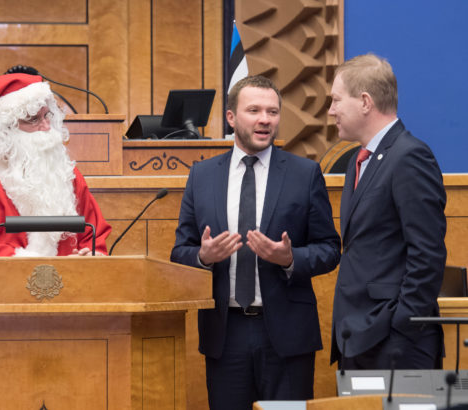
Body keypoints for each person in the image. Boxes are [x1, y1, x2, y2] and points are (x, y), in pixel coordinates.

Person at [170, 75, 341, 409]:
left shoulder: (304, 174)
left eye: (273, 112)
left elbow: (330, 249)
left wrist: (290, 259)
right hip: (225, 333)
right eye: (254, 110)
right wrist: (204, 257)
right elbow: (180, 252)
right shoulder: (202, 176)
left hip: (287, 336)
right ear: (231, 118)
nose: (265, 119)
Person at [329, 53, 447, 369]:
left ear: (365, 102)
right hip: (358, 338)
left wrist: (403, 324)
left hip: (396, 344)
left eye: (337, 100)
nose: (331, 111)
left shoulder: (410, 157)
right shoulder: (360, 161)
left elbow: (427, 253)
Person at [0, 73, 111, 257]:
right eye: (33, 119)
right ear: (3, 130)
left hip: (74, 282)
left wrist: (90, 256)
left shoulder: (62, 171)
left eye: (46, 116)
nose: (47, 127)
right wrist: (42, 267)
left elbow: (94, 234)